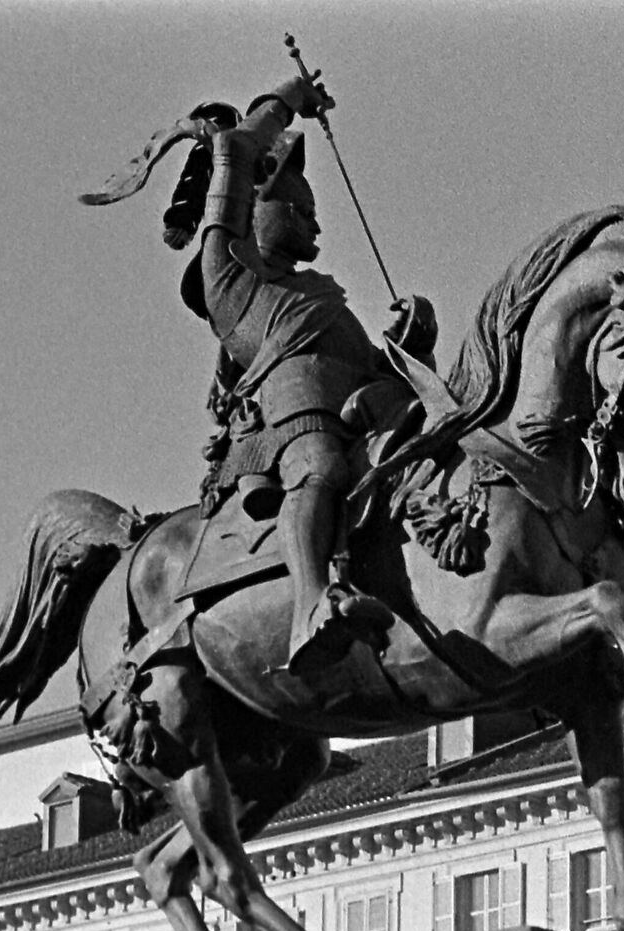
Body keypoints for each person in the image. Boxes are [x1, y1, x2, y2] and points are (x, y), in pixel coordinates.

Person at [185, 69, 434, 676]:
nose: (314, 225)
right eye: (300, 209)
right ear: (256, 210)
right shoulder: (234, 286)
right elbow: (240, 151)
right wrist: (286, 101)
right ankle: (309, 607)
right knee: (319, 467)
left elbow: (377, 368)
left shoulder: (323, 297)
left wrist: (413, 342)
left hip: (365, 404)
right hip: (295, 414)